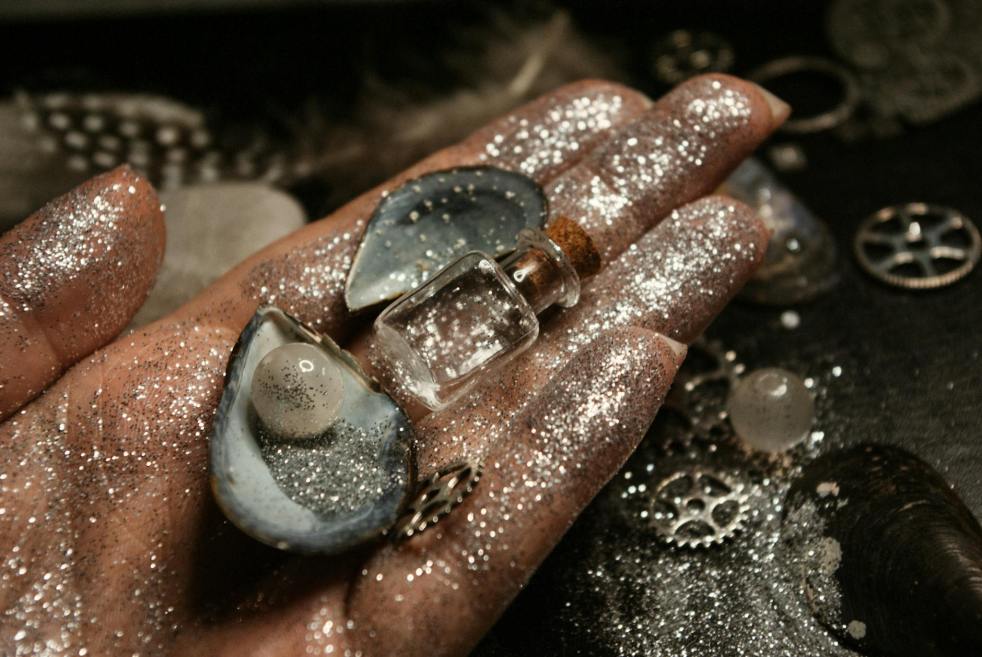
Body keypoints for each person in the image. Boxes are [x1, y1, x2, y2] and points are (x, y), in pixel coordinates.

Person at [0, 75, 786, 656]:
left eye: (538, 274)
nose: (523, 278)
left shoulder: (516, 314)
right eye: (530, 265)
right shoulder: (475, 278)